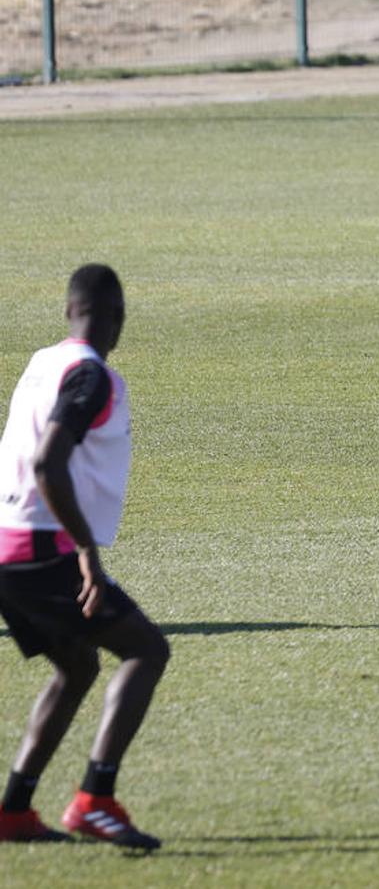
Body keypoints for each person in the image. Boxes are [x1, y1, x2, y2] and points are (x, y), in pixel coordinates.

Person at [0, 265, 168, 849]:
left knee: (78, 666)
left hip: (6, 544)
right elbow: (48, 463)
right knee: (146, 649)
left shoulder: (41, 362)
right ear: (116, 318)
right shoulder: (89, 376)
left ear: (69, 310)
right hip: (41, 549)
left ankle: (14, 811)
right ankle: (96, 799)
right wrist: (87, 555)